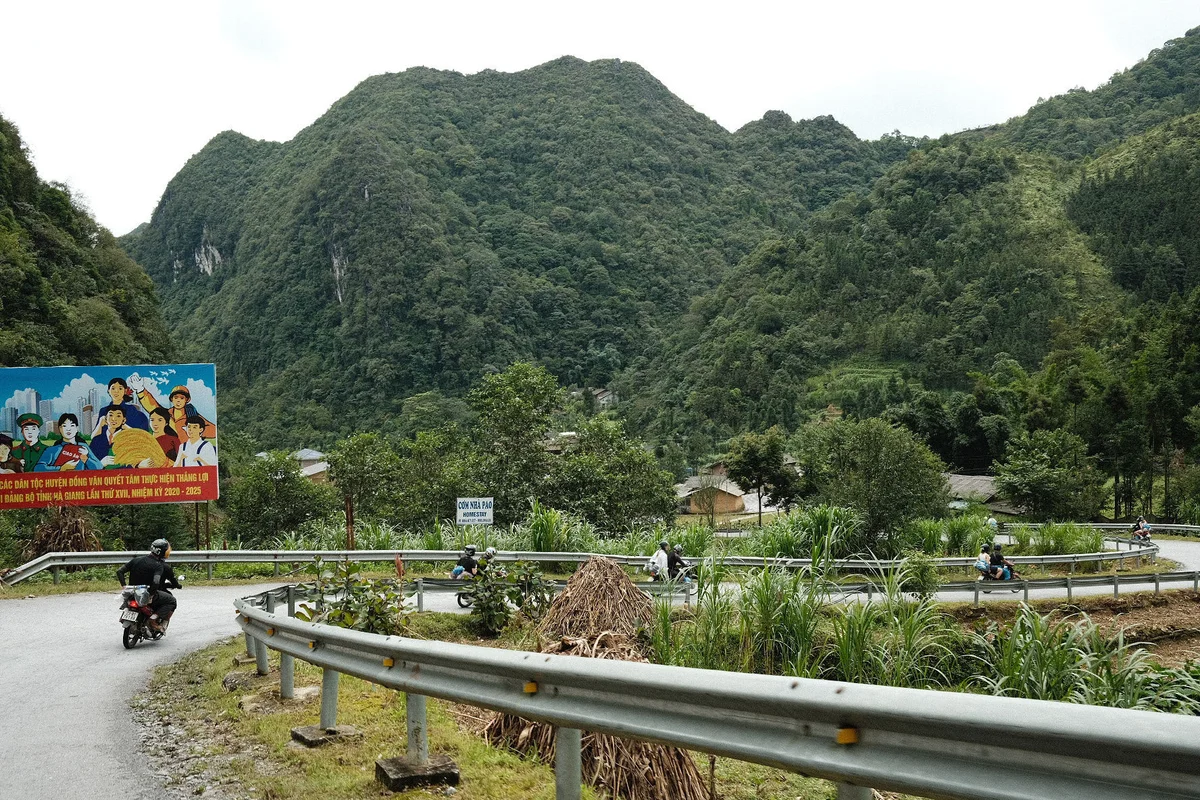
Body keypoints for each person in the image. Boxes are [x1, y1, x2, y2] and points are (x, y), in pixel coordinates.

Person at [116, 538, 181, 632]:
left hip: (132, 592)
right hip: (145, 593)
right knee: (172, 601)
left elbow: (120, 571)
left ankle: (127, 614)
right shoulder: (158, 565)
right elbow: (156, 582)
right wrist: (151, 595)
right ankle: (153, 619)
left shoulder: (137, 560)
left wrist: (124, 586)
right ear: (162, 552)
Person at [130, 375, 215, 440]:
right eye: (176, 397)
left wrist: (195, 430)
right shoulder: (167, 414)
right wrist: (141, 390)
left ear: (186, 400)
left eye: (182, 398)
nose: (178, 400)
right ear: (172, 399)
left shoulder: (192, 415)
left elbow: (213, 430)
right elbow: (153, 406)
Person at [35, 413, 103, 471]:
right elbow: (38, 468)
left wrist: (85, 458)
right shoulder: (53, 450)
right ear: (59, 429)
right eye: (64, 426)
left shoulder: (83, 447)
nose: (68, 429)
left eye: (72, 425)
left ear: (77, 429)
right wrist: (61, 468)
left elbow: (99, 467)